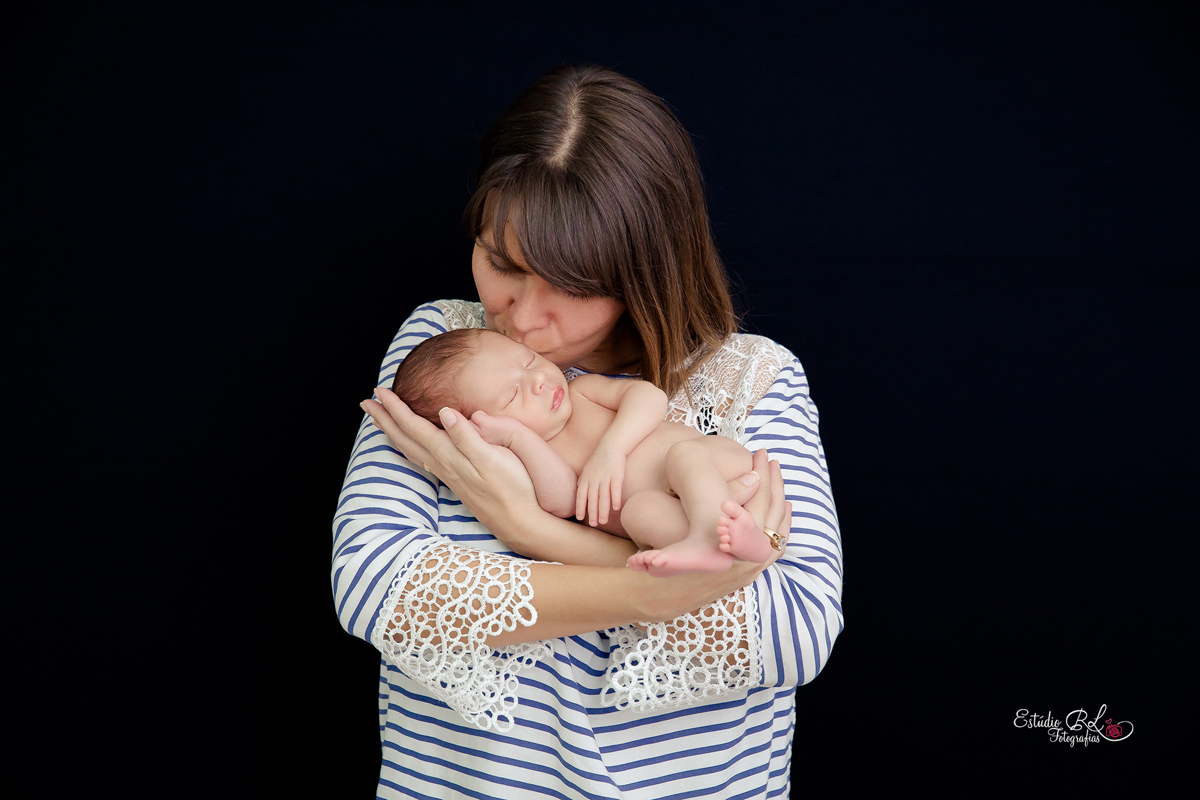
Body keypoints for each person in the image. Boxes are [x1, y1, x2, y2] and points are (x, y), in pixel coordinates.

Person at [337, 64, 843, 799]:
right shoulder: (446, 348)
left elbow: (793, 632)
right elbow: (376, 585)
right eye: (501, 263)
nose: (522, 321)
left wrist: (532, 531)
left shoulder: (751, 380)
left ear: (646, 271)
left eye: (572, 288)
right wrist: (654, 588)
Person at [389, 327, 784, 575]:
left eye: (528, 361)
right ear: (479, 428)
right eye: (513, 395)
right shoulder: (526, 458)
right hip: (695, 509)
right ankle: (734, 547)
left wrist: (611, 449)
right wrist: (516, 439)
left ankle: (709, 534)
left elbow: (648, 396)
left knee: (683, 456)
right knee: (637, 515)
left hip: (714, 465)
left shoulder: (581, 393)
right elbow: (563, 503)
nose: (539, 381)